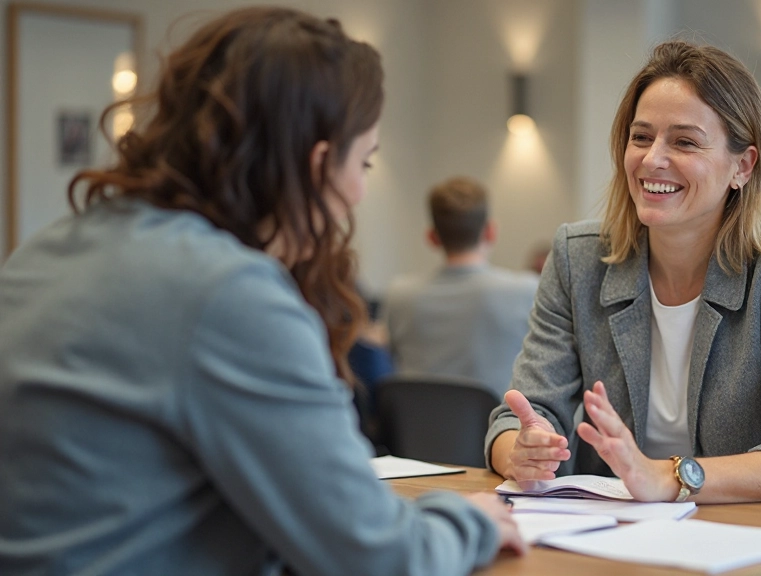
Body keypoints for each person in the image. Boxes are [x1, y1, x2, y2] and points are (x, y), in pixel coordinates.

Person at [0, 8, 523, 575]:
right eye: (365, 160)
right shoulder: (225, 293)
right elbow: (377, 556)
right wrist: (471, 520)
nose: (359, 191)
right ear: (319, 164)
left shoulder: (45, 251)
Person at [485, 40, 761, 504]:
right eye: (641, 137)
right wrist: (520, 451)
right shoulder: (577, 259)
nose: (652, 159)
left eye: (684, 141)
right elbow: (521, 415)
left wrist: (671, 478)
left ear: (742, 165)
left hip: (754, 535)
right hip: (616, 537)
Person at [384, 176, 538, 400]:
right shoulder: (526, 291)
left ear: (432, 237)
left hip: (416, 432)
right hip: (500, 432)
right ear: (490, 232)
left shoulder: (399, 295)